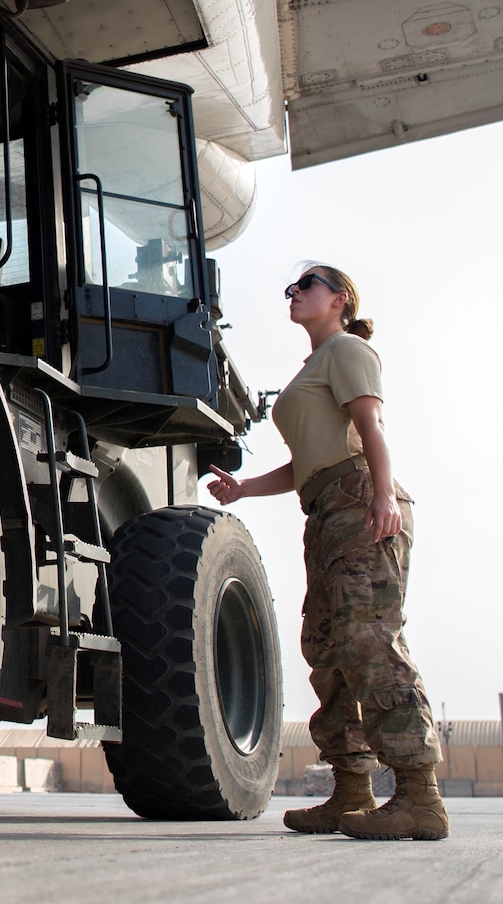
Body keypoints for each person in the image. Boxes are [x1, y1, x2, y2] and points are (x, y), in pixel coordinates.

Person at [205, 265, 448, 841]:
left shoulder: (348, 350)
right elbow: (302, 465)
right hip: (325, 512)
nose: (294, 292)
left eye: (307, 284)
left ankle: (419, 795)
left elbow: (371, 425)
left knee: (368, 638)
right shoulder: (311, 369)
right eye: (290, 288)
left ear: (340, 299)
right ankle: (352, 790)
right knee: (327, 648)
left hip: (361, 500)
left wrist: (383, 495)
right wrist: (243, 488)